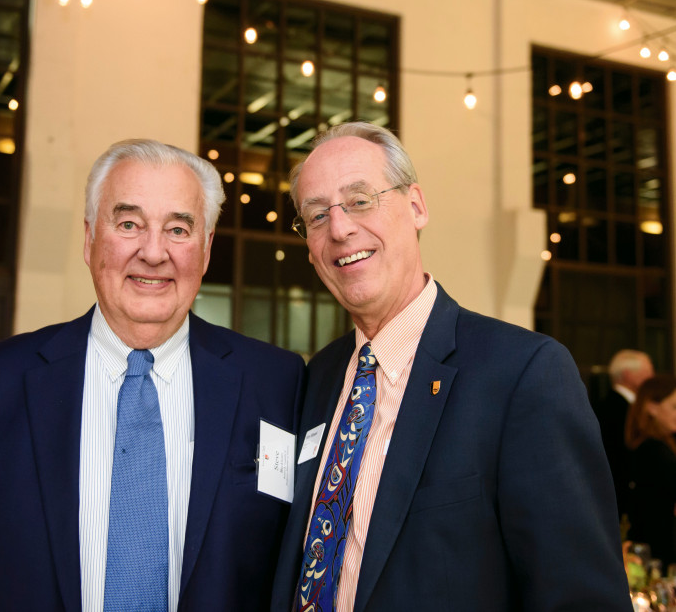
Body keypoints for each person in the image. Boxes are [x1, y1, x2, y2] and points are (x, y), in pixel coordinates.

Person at [0, 139, 305, 611]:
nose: (153, 252)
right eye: (128, 224)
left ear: (206, 249)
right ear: (89, 238)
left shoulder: (275, 383)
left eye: (178, 229)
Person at [270, 122, 631, 611]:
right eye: (316, 216)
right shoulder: (317, 379)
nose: (339, 229)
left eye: (360, 200)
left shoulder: (523, 375)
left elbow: (582, 599)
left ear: (416, 206)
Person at [594, 349, 654, 516]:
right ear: (628, 374)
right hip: (622, 500)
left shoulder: (606, 405)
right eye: (648, 371)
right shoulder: (622, 410)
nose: (652, 376)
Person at [624, 375, 676, 567]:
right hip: (657, 556)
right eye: (674, 407)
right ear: (651, 407)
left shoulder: (660, 446)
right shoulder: (653, 450)